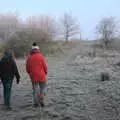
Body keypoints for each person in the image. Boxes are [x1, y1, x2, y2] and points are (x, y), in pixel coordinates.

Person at [26, 42, 48, 107]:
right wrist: (45, 72)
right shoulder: (41, 56)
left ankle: (36, 103)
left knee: (35, 90)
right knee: (43, 88)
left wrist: (30, 73)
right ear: (38, 49)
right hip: (42, 75)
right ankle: (42, 100)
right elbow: (45, 66)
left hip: (33, 76)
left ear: (31, 50)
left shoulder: (29, 57)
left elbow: (27, 68)